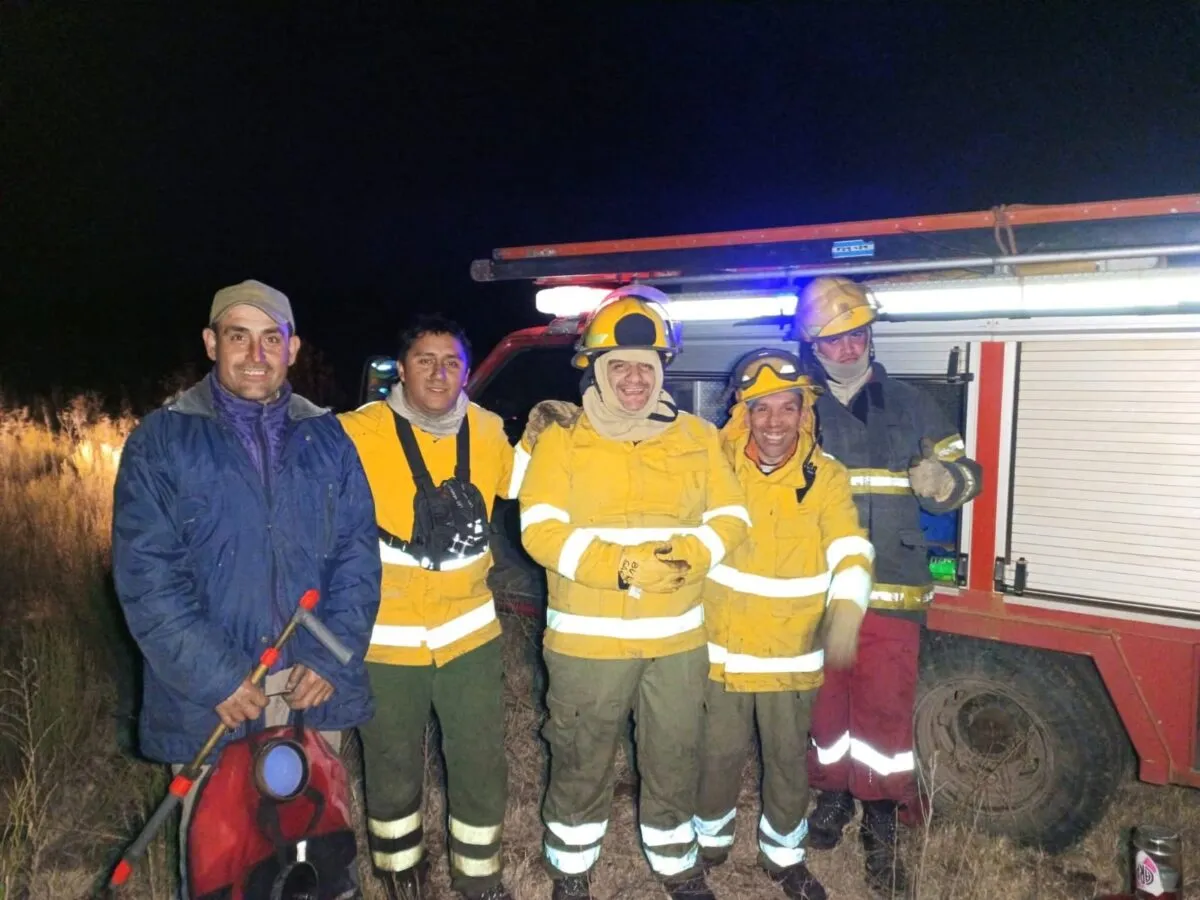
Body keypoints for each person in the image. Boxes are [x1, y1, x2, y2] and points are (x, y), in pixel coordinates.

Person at [111, 279, 382, 898]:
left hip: (308, 684)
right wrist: (217, 677)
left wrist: (329, 654)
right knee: (225, 860)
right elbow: (147, 576)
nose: (255, 354)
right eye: (239, 337)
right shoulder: (162, 441)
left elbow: (357, 557)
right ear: (212, 343)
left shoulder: (329, 439)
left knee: (316, 845)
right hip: (215, 693)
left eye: (271, 339)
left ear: (293, 348)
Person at [517, 285, 750, 900]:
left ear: (659, 372)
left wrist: (691, 555)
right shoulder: (561, 438)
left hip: (676, 640)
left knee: (675, 749)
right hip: (586, 642)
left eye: (644, 367)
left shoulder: (698, 437)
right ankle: (571, 866)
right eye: (618, 366)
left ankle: (675, 861)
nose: (633, 379)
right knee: (579, 753)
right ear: (596, 369)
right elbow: (539, 530)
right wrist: (619, 567)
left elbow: (731, 518)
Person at [795, 277, 983, 896]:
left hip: (894, 590)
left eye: (857, 334)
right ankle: (831, 799)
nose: (848, 347)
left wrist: (947, 482)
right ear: (813, 346)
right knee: (824, 707)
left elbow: (967, 473)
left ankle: (881, 823)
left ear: (870, 335)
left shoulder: (913, 404)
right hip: (818, 591)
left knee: (883, 716)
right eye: (834, 338)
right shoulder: (795, 405)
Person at [338, 314, 527, 900]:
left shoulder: (491, 430)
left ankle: (480, 877)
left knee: (478, 758)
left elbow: (538, 486)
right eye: (425, 359)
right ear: (402, 368)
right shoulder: (356, 432)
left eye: (452, 362)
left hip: (469, 635)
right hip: (387, 635)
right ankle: (400, 872)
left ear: (467, 371)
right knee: (391, 757)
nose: (439, 372)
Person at [693, 349, 874, 900]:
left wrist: (847, 606)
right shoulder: (713, 467)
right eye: (761, 409)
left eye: (786, 408)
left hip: (792, 653)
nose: (774, 423)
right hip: (722, 648)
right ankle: (709, 845)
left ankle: (783, 857)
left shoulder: (827, 477)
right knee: (716, 757)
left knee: (788, 764)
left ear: (805, 413)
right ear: (741, 413)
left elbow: (849, 547)